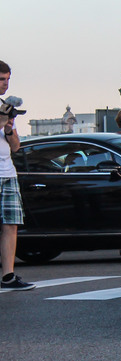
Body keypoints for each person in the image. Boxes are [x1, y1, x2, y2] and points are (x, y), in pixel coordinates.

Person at [0, 61, 35, 290]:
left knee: (10, 224)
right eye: (2, 79)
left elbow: (15, 147)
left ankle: (8, 276)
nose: (6, 83)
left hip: (7, 172)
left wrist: (9, 127)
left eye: (8, 79)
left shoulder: (4, 106)